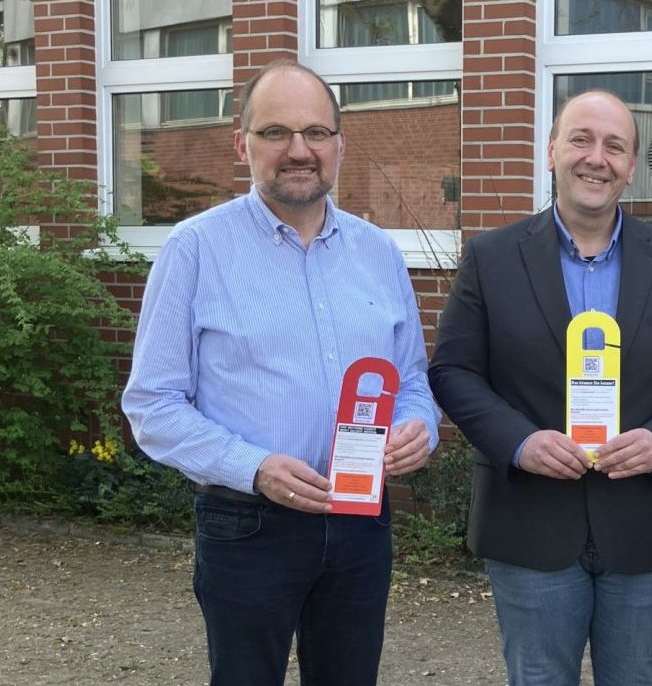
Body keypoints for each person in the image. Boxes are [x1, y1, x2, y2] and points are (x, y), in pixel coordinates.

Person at [122, 60, 440, 686]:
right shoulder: (195, 249)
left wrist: (417, 427)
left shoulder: (378, 253)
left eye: (317, 133)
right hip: (247, 523)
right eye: (276, 133)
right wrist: (256, 467)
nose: (300, 150)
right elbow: (153, 405)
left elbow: (411, 381)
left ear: (340, 145)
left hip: (360, 520)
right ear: (241, 144)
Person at [428, 89, 652, 686]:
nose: (597, 158)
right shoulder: (491, 258)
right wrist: (519, 442)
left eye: (615, 146)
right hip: (529, 522)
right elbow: (453, 371)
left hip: (643, 520)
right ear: (550, 152)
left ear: (631, 167)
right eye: (581, 140)